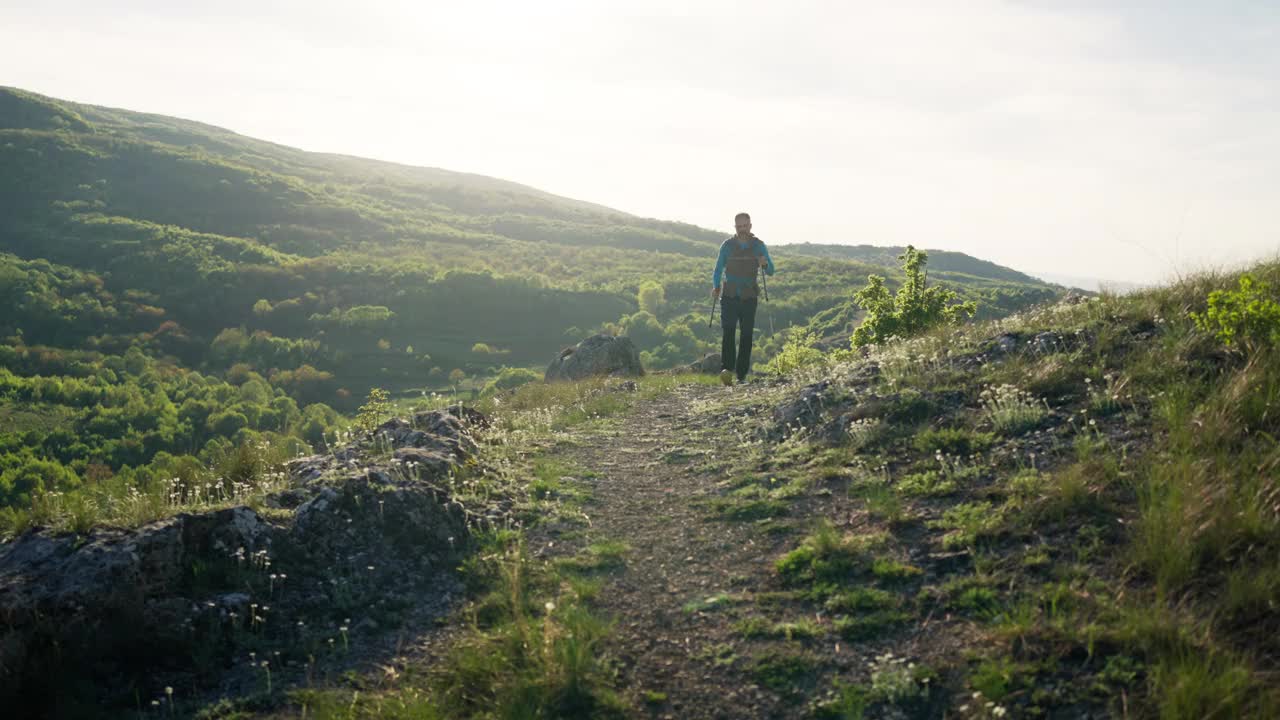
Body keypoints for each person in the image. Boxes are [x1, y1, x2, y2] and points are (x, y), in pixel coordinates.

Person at [712, 212, 775, 385]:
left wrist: (765, 264)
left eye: (745, 226)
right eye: (739, 227)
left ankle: (741, 376)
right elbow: (717, 269)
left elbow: (771, 271)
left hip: (749, 296)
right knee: (729, 332)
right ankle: (727, 371)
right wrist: (716, 286)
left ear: (750, 226)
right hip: (729, 295)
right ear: (735, 227)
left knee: (747, 335)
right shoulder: (727, 246)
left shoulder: (759, 246)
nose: (742, 229)